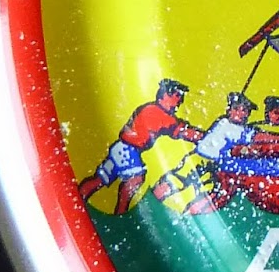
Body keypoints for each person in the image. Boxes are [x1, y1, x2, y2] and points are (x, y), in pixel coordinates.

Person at [79, 79, 201, 213]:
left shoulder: (153, 109)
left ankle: (79, 197)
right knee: (135, 179)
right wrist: (202, 137)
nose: (180, 101)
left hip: (121, 148)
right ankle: (120, 212)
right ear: (165, 94)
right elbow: (179, 129)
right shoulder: (157, 113)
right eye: (177, 96)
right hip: (128, 150)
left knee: (102, 179)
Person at [154, 91, 258, 214]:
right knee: (176, 180)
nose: (241, 113)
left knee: (205, 192)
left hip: (214, 165)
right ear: (229, 110)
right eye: (236, 109)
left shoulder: (239, 128)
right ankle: (155, 201)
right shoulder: (226, 124)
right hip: (198, 158)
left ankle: (188, 214)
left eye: (245, 111)